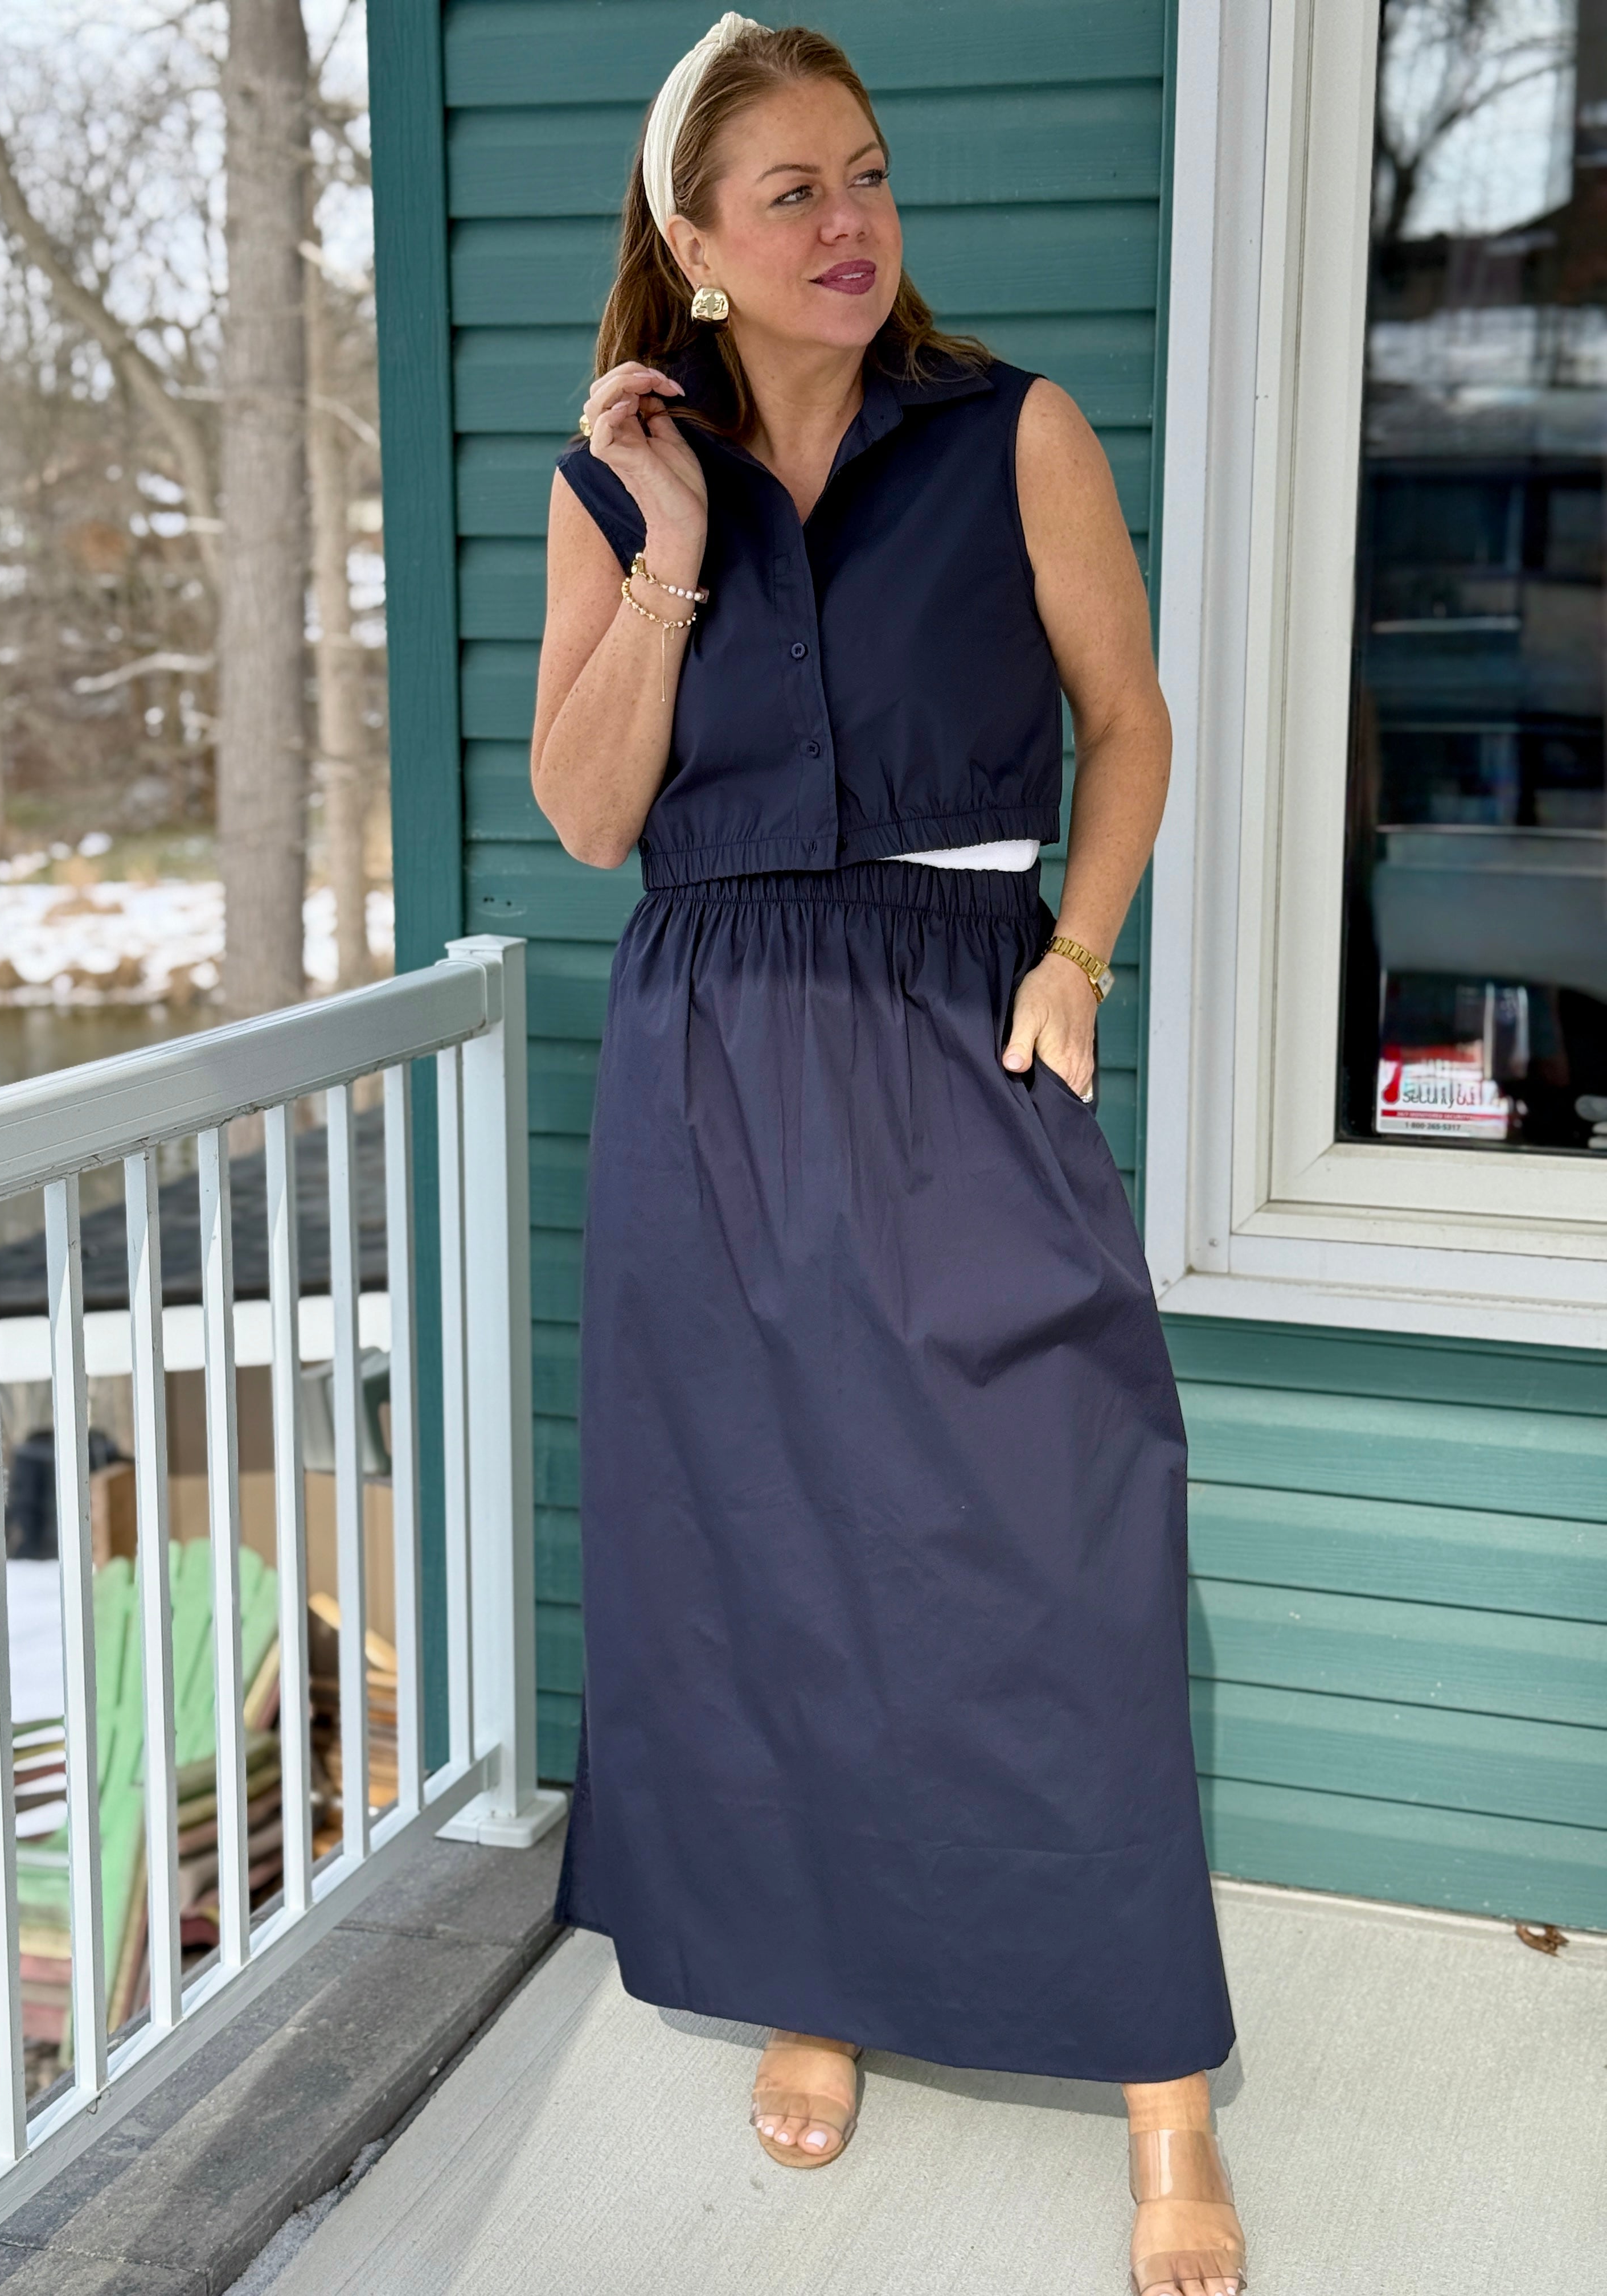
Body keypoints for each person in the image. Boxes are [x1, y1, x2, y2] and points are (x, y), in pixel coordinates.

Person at [530, 20, 1246, 2295]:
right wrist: (669, 547)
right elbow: (589, 818)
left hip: (958, 1017)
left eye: (867, 174)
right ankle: (816, 1975)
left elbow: (1127, 720)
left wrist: (1082, 960)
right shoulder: (624, 486)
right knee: (767, 1543)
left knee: (1063, 1529)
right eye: (791, 193)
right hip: (714, 1049)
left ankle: (1163, 2084)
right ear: (695, 243)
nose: (850, 223)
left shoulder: (1011, 430)